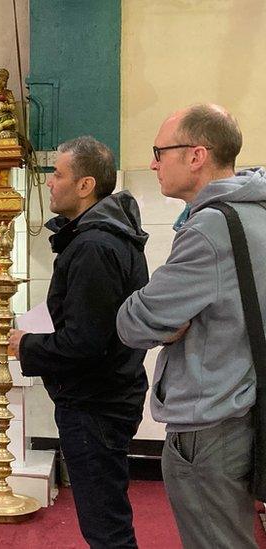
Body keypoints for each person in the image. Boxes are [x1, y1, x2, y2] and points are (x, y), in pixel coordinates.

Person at [116, 104, 265, 548]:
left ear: (197, 155)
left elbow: (136, 321)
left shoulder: (209, 229)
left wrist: (157, 320)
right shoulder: (255, 211)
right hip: (248, 404)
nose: (153, 163)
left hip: (211, 422)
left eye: (160, 151)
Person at [8, 136, 149, 548]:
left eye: (58, 173)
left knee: (105, 527)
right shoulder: (103, 237)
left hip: (96, 404)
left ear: (85, 185)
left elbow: (86, 342)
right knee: (105, 517)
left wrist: (27, 345)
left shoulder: (93, 245)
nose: (49, 182)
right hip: (107, 396)